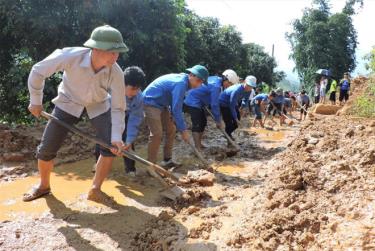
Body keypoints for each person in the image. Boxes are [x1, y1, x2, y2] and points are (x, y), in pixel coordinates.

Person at [24, 25, 128, 202]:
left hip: (99, 104)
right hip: (68, 101)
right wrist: (35, 101)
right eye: (112, 52)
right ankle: (43, 186)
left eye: (118, 52)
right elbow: (38, 71)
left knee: (110, 146)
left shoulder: (116, 72)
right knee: (47, 148)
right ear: (96, 49)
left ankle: (95, 190)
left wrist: (117, 136)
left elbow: (118, 107)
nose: (115, 56)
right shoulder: (70, 56)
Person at [142, 65, 208, 168]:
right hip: (150, 101)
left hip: (162, 103)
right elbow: (177, 109)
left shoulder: (186, 82)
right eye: (198, 80)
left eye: (201, 82)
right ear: (191, 75)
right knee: (157, 133)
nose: (199, 84)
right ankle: (151, 166)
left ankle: (167, 160)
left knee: (171, 129)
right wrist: (184, 130)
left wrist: (175, 118)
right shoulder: (181, 84)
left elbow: (175, 104)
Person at [93, 66, 145, 177]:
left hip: (125, 116)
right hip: (106, 114)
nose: (135, 92)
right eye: (132, 89)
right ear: (123, 83)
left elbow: (134, 120)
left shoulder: (139, 98)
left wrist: (130, 140)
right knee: (102, 140)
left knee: (127, 141)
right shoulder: (110, 89)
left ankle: (130, 169)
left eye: (138, 89)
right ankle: (98, 165)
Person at [183, 69, 239, 150]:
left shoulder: (217, 80)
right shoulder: (216, 86)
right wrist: (218, 120)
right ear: (225, 79)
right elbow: (214, 104)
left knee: (203, 122)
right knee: (197, 124)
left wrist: (218, 119)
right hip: (193, 101)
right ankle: (197, 148)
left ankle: (199, 144)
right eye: (230, 83)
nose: (229, 86)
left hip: (200, 102)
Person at [219, 75, 256, 140]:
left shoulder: (249, 90)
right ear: (244, 82)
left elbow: (245, 100)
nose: (249, 88)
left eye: (251, 86)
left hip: (233, 102)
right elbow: (232, 106)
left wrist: (241, 108)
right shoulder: (236, 90)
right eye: (248, 85)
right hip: (224, 103)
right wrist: (235, 118)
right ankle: (228, 138)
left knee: (237, 122)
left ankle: (227, 134)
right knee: (229, 122)